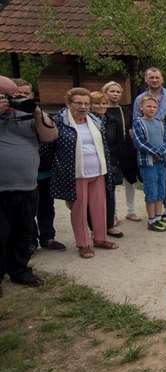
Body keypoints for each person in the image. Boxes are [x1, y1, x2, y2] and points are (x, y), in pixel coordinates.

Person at [1, 75, 57, 293]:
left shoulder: (27, 115)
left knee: (23, 233)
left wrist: (35, 111)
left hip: (26, 186)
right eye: (6, 95)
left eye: (17, 95)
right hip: (2, 189)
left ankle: (20, 271)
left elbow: (50, 136)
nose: (13, 99)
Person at [50, 88, 117, 259]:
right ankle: (83, 243)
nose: (83, 107)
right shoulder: (60, 122)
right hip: (76, 174)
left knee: (99, 207)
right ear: (68, 103)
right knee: (79, 210)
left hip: (98, 171)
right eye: (78, 103)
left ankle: (100, 238)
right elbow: (50, 148)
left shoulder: (94, 120)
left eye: (86, 103)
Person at [13, 79, 66, 255]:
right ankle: (31, 239)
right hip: (20, 175)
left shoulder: (40, 115)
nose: (22, 96)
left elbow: (53, 138)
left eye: (26, 93)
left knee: (46, 206)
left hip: (44, 171)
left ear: (32, 95)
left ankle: (47, 237)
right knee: (26, 210)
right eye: (18, 93)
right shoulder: (7, 117)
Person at [102, 81, 141, 223]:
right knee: (111, 183)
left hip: (127, 150)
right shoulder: (102, 111)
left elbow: (131, 128)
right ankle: (113, 214)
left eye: (118, 92)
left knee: (130, 180)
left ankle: (131, 211)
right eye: (112, 91)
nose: (115, 94)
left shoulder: (125, 111)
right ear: (105, 92)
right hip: (111, 151)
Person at [132, 95, 166, 232]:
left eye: (154, 107)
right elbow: (139, 142)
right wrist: (156, 152)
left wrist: (163, 151)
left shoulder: (160, 122)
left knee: (161, 189)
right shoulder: (138, 122)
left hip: (161, 161)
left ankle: (159, 217)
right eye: (148, 106)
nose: (152, 109)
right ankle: (152, 220)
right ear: (141, 107)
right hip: (148, 163)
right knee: (151, 190)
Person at [89, 91, 123, 239]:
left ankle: (109, 225)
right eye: (97, 103)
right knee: (94, 198)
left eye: (104, 103)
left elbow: (120, 142)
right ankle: (94, 227)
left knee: (109, 195)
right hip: (93, 163)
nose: (101, 106)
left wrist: (108, 153)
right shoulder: (87, 121)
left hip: (110, 163)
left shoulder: (113, 121)